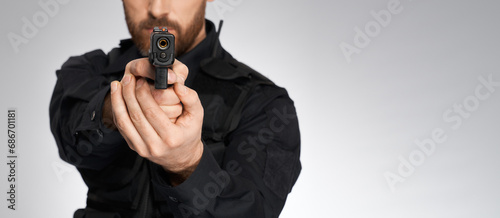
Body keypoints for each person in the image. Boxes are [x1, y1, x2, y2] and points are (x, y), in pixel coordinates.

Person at [50, 0, 301, 217]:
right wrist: (114, 108)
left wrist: (187, 162)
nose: (157, 8)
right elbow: (70, 136)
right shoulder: (87, 71)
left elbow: (252, 213)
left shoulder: (266, 104)